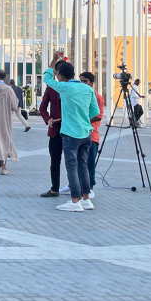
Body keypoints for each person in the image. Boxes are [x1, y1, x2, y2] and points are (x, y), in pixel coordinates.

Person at [43, 52, 99, 212]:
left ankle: (75, 201)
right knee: (83, 166)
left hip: (70, 134)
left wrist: (53, 60)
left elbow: (47, 79)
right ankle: (86, 198)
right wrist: (83, 118)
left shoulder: (65, 87)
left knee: (72, 166)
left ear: (60, 75)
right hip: (86, 133)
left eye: (57, 73)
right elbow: (94, 111)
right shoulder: (87, 89)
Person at [38, 65, 63, 197]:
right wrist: (48, 119)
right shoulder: (51, 88)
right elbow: (42, 108)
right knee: (55, 161)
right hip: (55, 130)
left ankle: (75, 188)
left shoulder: (74, 88)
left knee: (73, 161)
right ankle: (55, 188)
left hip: (70, 129)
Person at [79, 72, 103, 196]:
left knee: (89, 163)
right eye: (80, 81)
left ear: (91, 83)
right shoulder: (78, 95)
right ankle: (76, 185)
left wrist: (83, 120)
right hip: (78, 134)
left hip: (91, 135)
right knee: (77, 162)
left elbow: (98, 116)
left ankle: (90, 187)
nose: (82, 83)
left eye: (85, 81)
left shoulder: (97, 97)